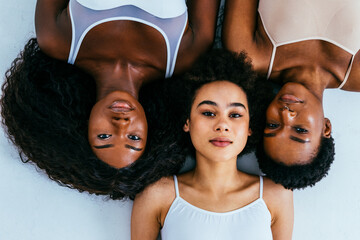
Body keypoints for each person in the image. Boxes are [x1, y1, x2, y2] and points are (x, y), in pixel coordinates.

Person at [0, 0, 220, 198]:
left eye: (104, 135)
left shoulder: (57, 38)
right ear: (149, 130)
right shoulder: (185, 55)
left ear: (82, 127)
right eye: (134, 138)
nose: (121, 124)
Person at [131, 50, 293, 240]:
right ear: (187, 122)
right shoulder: (156, 195)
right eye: (208, 113)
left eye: (235, 115)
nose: (222, 125)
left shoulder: (276, 196)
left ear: (250, 126)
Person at [220, 0, 360, 189]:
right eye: (300, 130)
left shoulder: (249, 54)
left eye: (273, 125)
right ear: (326, 128)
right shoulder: (357, 74)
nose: (286, 114)